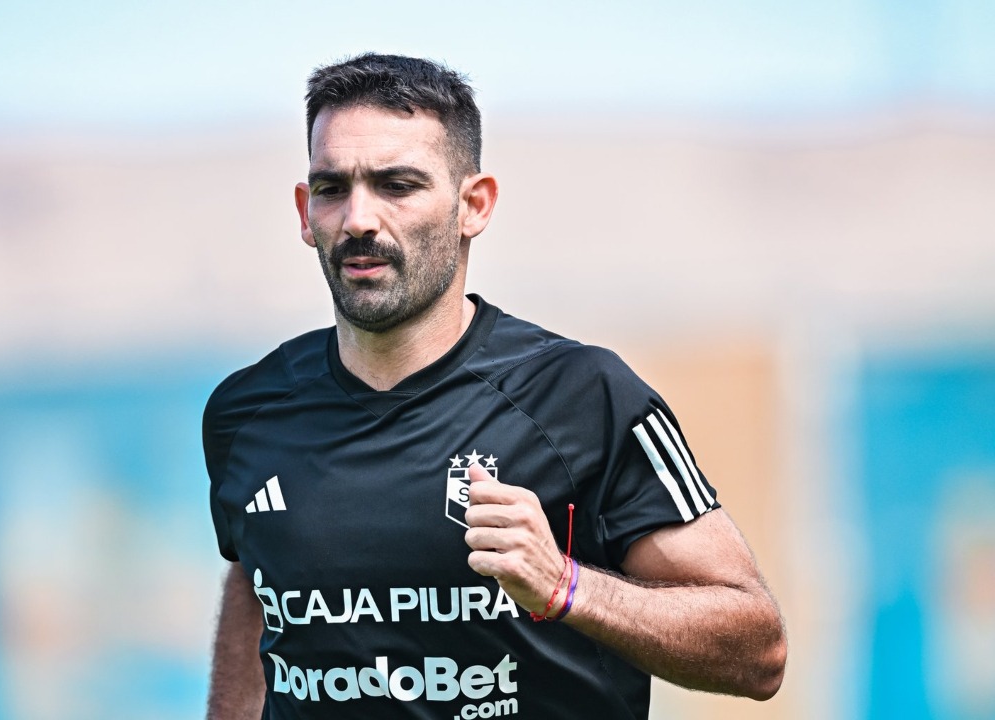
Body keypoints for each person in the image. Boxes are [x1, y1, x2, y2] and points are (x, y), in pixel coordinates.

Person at [203, 53, 786, 719]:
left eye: (397, 185)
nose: (359, 219)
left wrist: (564, 585)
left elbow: (757, 649)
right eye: (334, 188)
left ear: (472, 206)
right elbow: (259, 582)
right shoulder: (247, 414)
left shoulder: (583, 397)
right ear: (306, 214)